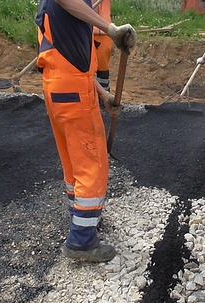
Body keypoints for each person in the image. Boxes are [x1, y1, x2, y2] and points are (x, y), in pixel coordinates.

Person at [35, 0, 136, 262]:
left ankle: (81, 221)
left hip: (58, 86)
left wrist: (102, 93)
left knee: (75, 164)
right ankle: (81, 241)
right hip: (73, 93)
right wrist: (110, 28)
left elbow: (70, 59)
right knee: (93, 164)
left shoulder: (56, 11)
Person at [92, 0, 113, 93]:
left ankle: (104, 96)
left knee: (103, 69)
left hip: (103, 31)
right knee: (84, 68)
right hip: (82, 30)